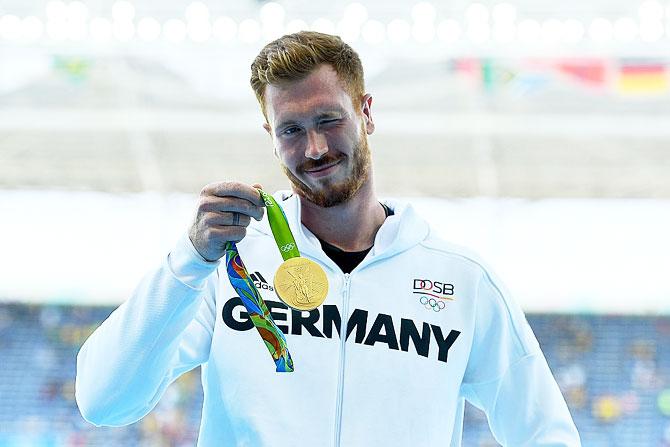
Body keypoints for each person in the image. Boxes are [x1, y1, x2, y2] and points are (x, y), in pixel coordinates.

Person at [75, 31, 581, 446]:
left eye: (328, 120)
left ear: (366, 113)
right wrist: (189, 260)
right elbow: (104, 400)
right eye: (290, 129)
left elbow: (546, 433)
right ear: (271, 138)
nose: (314, 148)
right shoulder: (229, 268)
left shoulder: (460, 280)